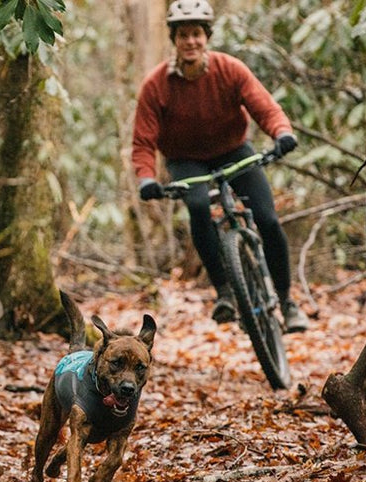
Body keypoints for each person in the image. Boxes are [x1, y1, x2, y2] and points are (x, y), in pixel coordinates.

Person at [132, 0, 308, 333]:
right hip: (185, 160)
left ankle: (287, 302)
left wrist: (282, 133)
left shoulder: (230, 69)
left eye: (196, 34)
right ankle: (225, 292)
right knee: (198, 206)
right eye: (183, 35)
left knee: (268, 219)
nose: (190, 41)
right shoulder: (156, 85)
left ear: (207, 37)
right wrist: (146, 178)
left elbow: (265, 107)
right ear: (174, 39)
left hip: (233, 151)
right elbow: (143, 141)